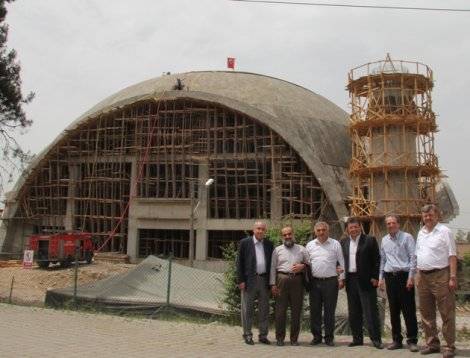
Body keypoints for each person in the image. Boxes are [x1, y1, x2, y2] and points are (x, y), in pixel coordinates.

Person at [416, 204, 457, 358]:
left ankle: (449, 346)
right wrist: (418, 274)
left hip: (441, 275)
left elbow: (452, 255)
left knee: (446, 311)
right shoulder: (421, 232)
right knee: (426, 312)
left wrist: (452, 277)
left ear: (437, 215)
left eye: (430, 215)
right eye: (425, 215)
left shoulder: (445, 231)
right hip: (423, 276)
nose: (428, 218)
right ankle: (432, 343)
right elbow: (418, 254)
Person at [378, 214, 419, 352]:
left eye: (393, 223)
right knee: (394, 310)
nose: (390, 225)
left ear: (398, 224)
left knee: (408, 310)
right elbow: (383, 260)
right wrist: (381, 278)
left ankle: (412, 340)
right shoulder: (384, 240)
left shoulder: (407, 237)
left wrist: (411, 277)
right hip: (390, 277)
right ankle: (396, 340)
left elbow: (413, 258)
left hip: (404, 276)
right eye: (388, 223)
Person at [341, 217, 383, 349]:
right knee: (354, 311)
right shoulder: (344, 242)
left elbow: (377, 260)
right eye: (351, 227)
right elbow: (341, 261)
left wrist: (375, 277)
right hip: (350, 280)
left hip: (366, 280)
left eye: (355, 227)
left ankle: (376, 339)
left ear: (360, 227)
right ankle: (357, 338)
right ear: (347, 229)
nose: (353, 229)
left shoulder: (369, 240)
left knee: (370, 310)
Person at [305, 221, 345, 346]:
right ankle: (316, 337)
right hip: (315, 282)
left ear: (328, 231)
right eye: (319, 230)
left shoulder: (335, 244)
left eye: (324, 230)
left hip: (331, 282)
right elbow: (306, 264)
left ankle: (329, 337)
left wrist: (342, 278)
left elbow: (342, 262)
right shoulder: (310, 245)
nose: (321, 232)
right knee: (315, 311)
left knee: (329, 311)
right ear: (315, 232)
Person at [236, 221, 274, 345]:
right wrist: (240, 280)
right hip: (249, 281)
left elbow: (272, 265)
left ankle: (263, 335)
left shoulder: (269, 244)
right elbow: (239, 263)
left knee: (264, 309)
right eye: (258, 228)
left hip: (264, 280)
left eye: (263, 229)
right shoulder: (245, 243)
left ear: (265, 231)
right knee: (248, 310)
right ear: (253, 230)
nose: (260, 231)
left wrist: (272, 282)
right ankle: (247, 334)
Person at [270, 226, 309, 346]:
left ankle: (294, 339)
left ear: (293, 234)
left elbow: (309, 264)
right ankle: (280, 338)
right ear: (282, 236)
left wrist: (303, 266)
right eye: (285, 234)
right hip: (281, 280)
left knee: (296, 311)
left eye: (289, 234)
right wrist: (272, 284)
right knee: (280, 311)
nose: (287, 236)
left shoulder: (302, 249)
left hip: (297, 281)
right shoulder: (277, 250)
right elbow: (272, 268)